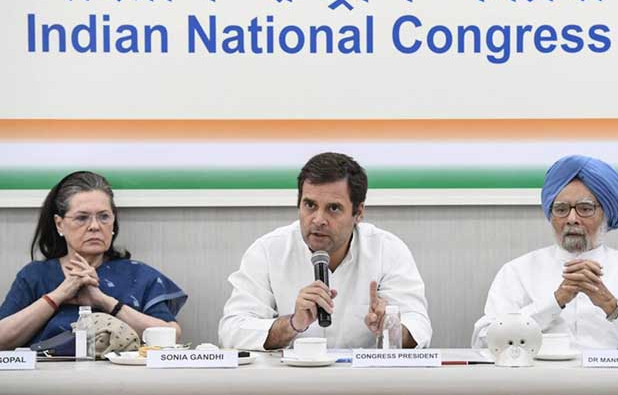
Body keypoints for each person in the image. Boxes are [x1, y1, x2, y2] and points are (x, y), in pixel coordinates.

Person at [219, 152, 432, 350]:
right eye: (310, 205)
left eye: (333, 208)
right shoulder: (267, 251)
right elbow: (231, 330)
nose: (319, 220)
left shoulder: (387, 250)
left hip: (363, 377)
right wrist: (292, 324)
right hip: (289, 376)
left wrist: (390, 327)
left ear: (358, 213)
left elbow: (419, 326)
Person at [472, 155, 618, 349]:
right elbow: (482, 340)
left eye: (585, 208)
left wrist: (612, 307)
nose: (572, 219)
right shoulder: (517, 272)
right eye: (561, 209)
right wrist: (554, 302)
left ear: (607, 214)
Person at [0, 171, 187, 350]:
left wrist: (104, 301)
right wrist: (59, 295)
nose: (95, 226)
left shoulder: (138, 275)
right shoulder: (36, 275)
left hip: (121, 372)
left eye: (104, 217)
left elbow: (172, 335)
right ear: (59, 224)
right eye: (82, 218)